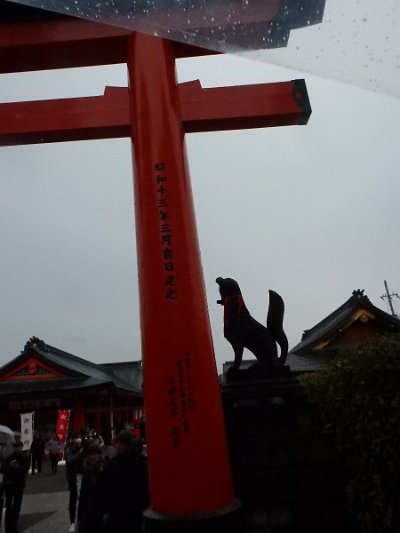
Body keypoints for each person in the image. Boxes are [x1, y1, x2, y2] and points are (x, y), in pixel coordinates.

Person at [102, 429, 149, 533]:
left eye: (121, 443)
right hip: (116, 510)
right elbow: (107, 488)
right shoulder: (113, 463)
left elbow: (143, 487)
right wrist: (106, 510)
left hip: (134, 510)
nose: (118, 446)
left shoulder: (139, 462)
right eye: (117, 443)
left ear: (129, 444)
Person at [77, 443, 107, 533]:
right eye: (90, 454)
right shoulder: (86, 471)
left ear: (99, 455)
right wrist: (79, 517)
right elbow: (83, 496)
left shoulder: (106, 469)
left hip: (103, 513)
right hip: (89, 513)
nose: (92, 457)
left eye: (95, 454)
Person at [0, 441, 30, 533]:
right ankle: (9, 521)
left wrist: (18, 467)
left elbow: (27, 468)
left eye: (18, 446)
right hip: (9, 484)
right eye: (15, 446)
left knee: (17, 504)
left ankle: (15, 519)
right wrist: (10, 465)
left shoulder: (24, 457)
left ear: (21, 447)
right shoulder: (9, 458)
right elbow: (2, 469)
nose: (17, 448)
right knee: (8, 504)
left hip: (19, 485)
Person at [65, 432, 83, 533]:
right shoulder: (70, 450)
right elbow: (70, 461)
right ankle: (72, 522)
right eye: (76, 437)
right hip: (73, 480)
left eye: (79, 437)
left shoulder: (84, 447)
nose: (78, 439)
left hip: (82, 479)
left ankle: (80, 521)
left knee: (83, 501)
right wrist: (79, 453)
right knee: (73, 502)